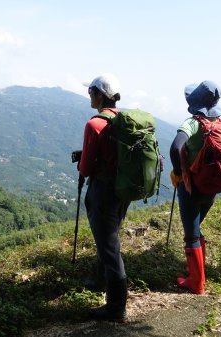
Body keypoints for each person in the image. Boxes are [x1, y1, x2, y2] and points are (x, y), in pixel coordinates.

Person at [78, 73, 130, 322]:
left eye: (91, 91)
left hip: (102, 191)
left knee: (110, 248)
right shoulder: (124, 121)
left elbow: (86, 169)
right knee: (108, 239)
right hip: (122, 190)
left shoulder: (95, 124)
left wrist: (84, 159)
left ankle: (116, 307)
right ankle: (99, 281)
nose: (89, 95)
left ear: (99, 95)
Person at [169, 81, 221, 295]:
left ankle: (196, 283)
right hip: (211, 186)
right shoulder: (219, 122)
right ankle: (197, 271)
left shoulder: (193, 123)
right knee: (196, 228)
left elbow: (176, 147)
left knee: (191, 234)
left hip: (192, 186)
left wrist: (178, 172)